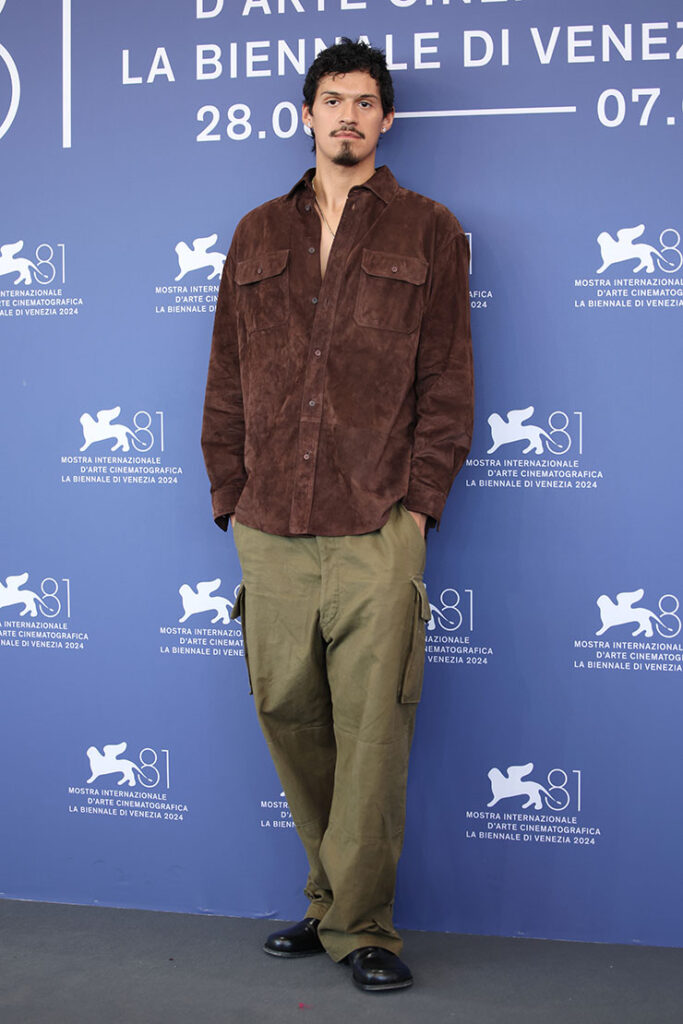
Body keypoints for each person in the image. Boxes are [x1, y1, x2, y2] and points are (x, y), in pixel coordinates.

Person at [201, 38, 474, 992]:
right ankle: (325, 899)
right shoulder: (254, 234)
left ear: (386, 120)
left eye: (365, 102)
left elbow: (446, 382)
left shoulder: (432, 229)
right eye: (332, 100)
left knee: (371, 730)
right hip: (268, 525)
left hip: (374, 526)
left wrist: (417, 511)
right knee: (287, 712)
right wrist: (228, 496)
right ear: (306, 116)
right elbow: (226, 377)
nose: (347, 116)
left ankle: (361, 926)